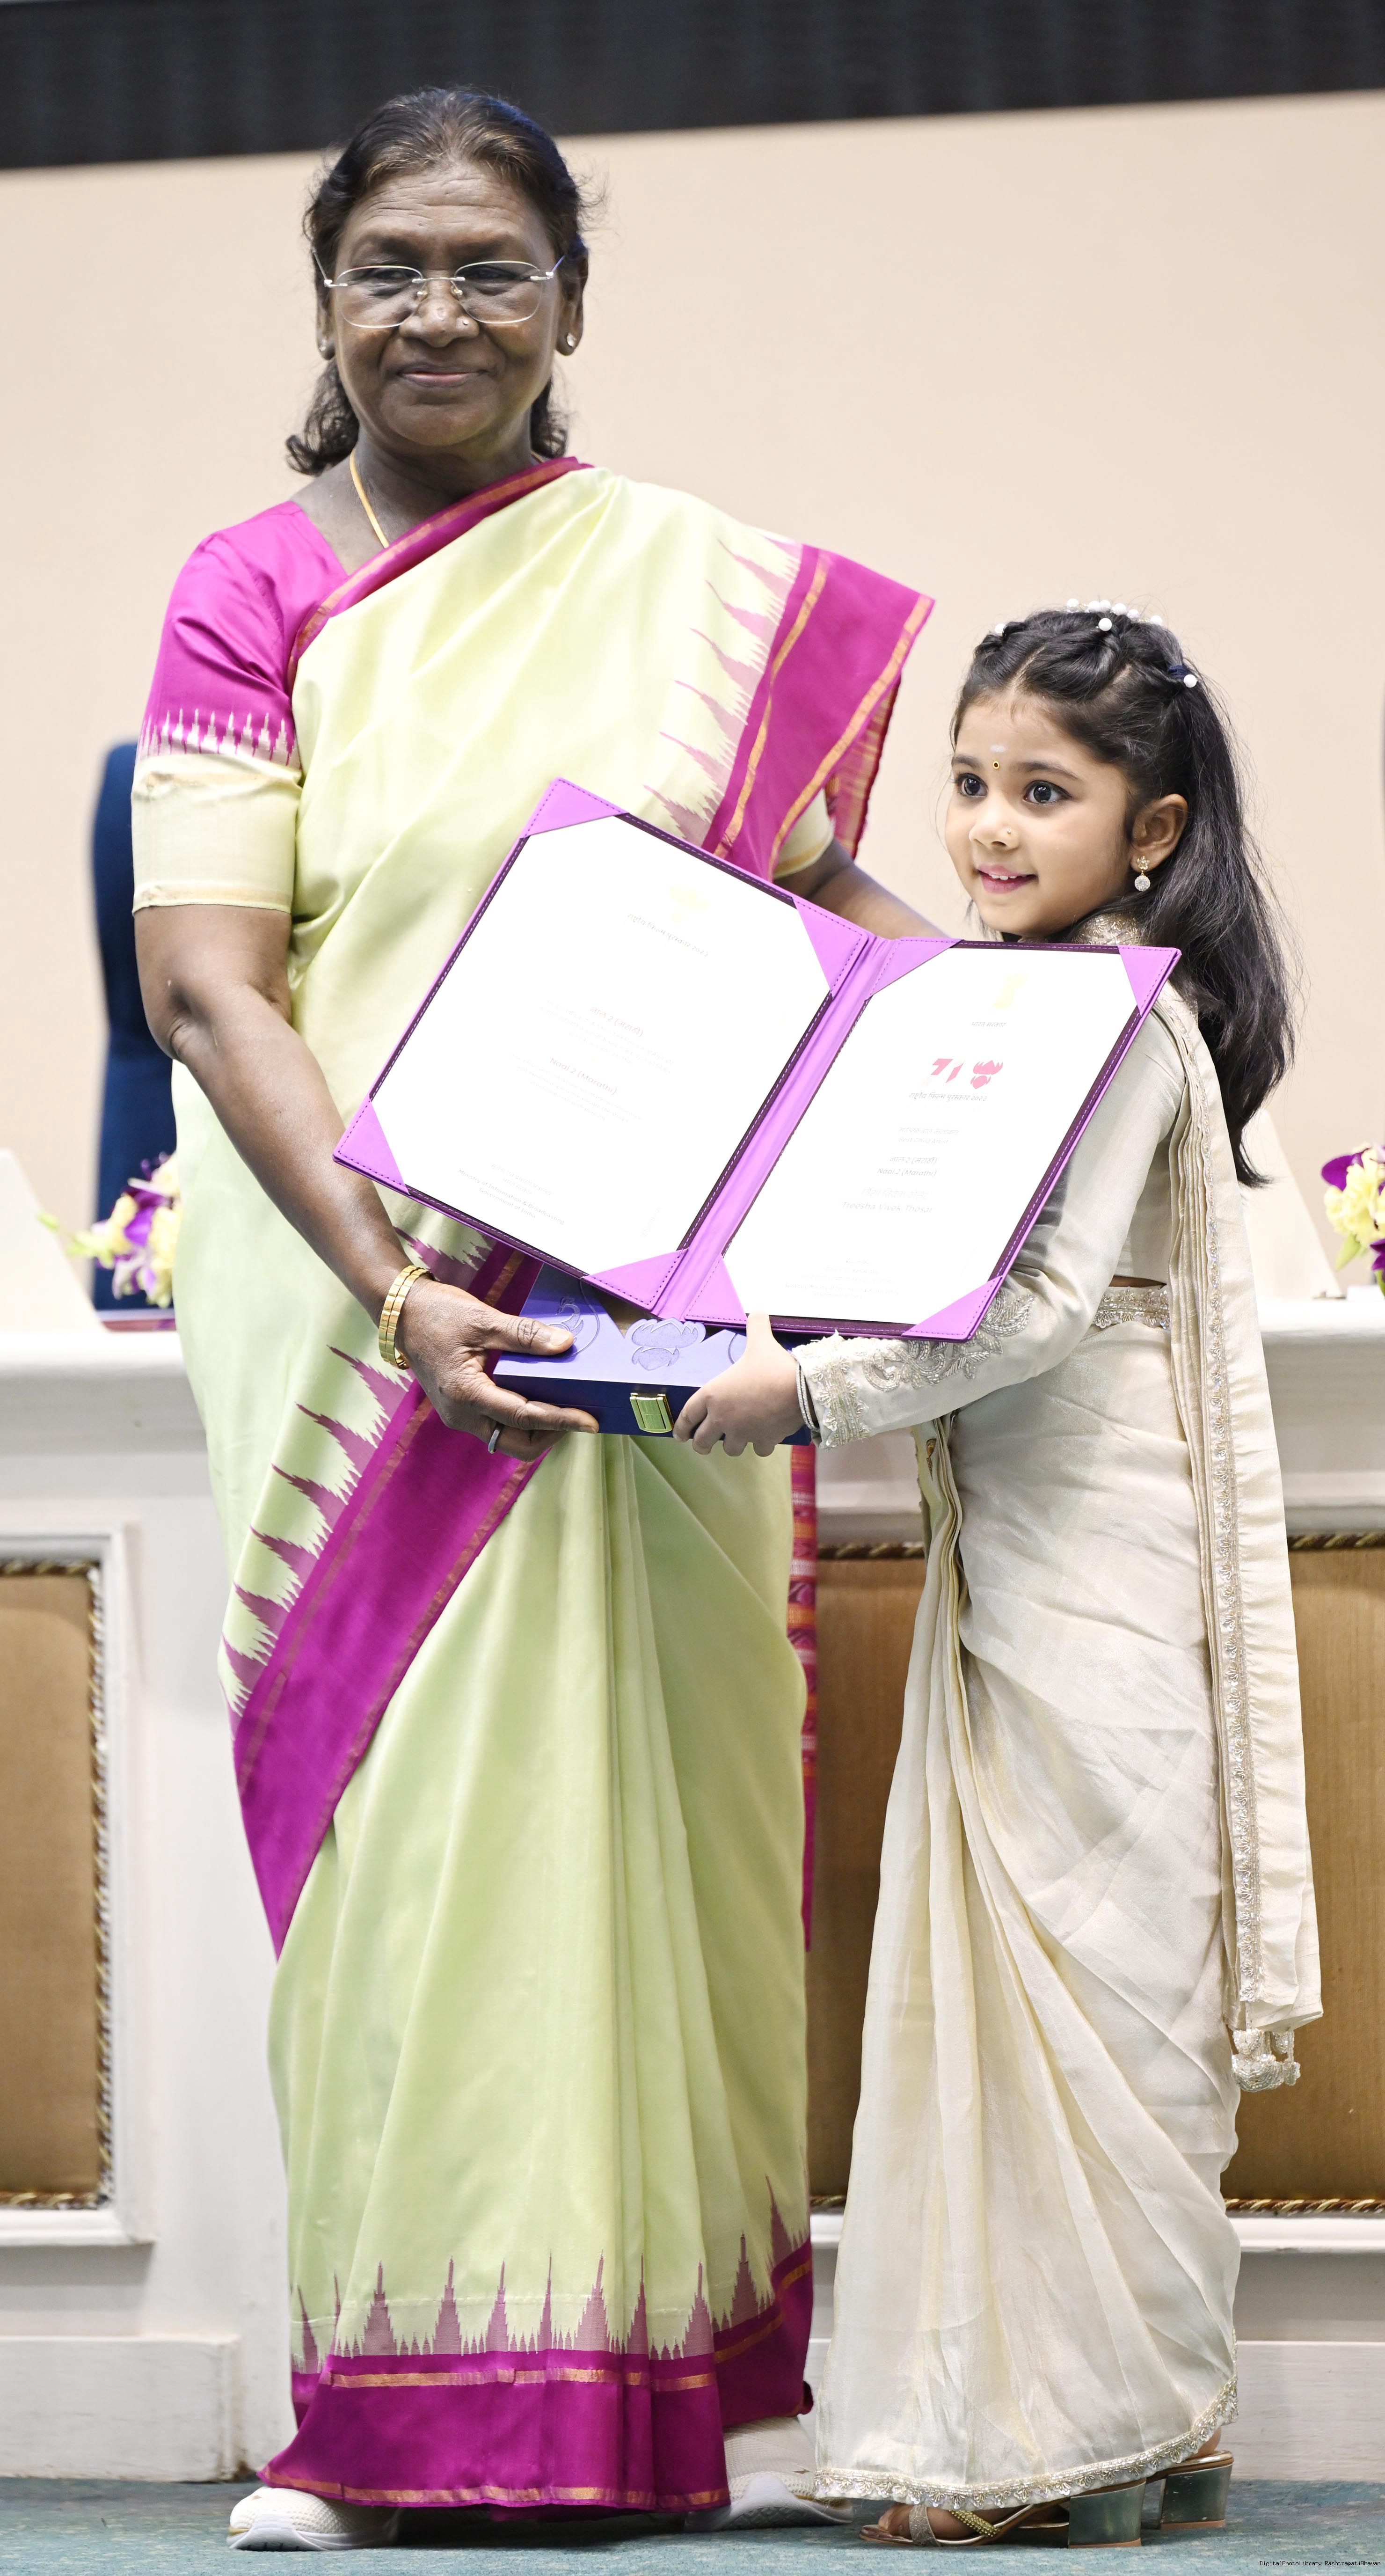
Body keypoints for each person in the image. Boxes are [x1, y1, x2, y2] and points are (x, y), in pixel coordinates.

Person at [130, 85, 934, 2550]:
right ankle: (386, 2423)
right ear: (324, 301)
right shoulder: (250, 592)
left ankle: (699, 2404)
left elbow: (822, 915)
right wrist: (392, 1285)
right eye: (388, 265)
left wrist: (1030, 1041)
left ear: (573, 297)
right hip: (364, 1331)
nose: (439, 311)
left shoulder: (689, 596)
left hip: (630, 1319)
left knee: (659, 1808)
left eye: (491, 265)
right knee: (408, 1843)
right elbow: (209, 984)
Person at [676, 605, 1319, 2546]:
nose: (985, 825)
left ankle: (1099, 2433)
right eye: (968, 782)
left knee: (1102, 1965)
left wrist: (806, 1388)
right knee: (1033, 1959)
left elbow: (1030, 1312)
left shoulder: (1119, 1022)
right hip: (1011, 1544)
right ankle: (1095, 2427)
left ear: (1151, 831)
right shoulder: (1022, 999)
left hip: (1105, 1547)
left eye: (1042, 792)